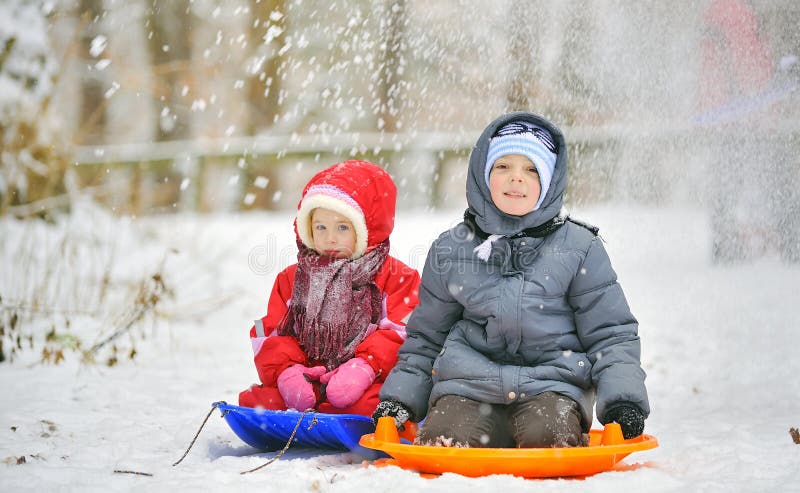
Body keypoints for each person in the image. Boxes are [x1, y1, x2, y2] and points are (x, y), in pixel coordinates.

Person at [373, 112, 650, 448]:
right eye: (503, 166)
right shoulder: (452, 248)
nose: (516, 178)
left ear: (549, 182)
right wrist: (401, 399)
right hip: (467, 388)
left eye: (531, 169)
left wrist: (623, 400)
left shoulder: (579, 248)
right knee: (441, 440)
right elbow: (427, 337)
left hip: (551, 386)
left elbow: (610, 334)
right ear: (483, 173)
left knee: (548, 438)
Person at [239, 160, 420, 416]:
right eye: (320, 226)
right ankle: (310, 403)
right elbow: (271, 331)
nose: (330, 237)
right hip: (308, 377)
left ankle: (341, 411)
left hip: (367, 380)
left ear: (367, 229)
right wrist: (287, 372)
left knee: (372, 406)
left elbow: (404, 332)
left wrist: (365, 366)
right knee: (256, 402)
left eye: (343, 227)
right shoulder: (292, 279)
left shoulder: (396, 276)